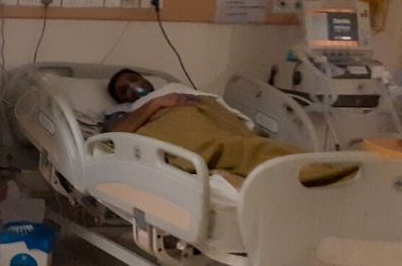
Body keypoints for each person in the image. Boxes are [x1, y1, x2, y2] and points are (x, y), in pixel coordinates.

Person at [103, 69, 350, 184]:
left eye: (133, 79)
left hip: (206, 116)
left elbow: (218, 109)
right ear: (121, 99)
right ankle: (310, 171)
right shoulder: (123, 113)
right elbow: (116, 137)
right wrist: (156, 104)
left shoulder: (182, 91)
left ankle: (317, 167)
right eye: (123, 89)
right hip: (175, 125)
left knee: (252, 143)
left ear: (145, 79)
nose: (132, 87)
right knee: (226, 147)